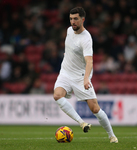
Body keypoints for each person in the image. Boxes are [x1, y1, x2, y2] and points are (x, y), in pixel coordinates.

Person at [53, 7, 118, 143]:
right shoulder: (69, 30)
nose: (73, 22)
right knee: (57, 95)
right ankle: (82, 123)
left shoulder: (86, 38)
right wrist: (68, 55)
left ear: (83, 19)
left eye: (76, 19)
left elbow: (90, 61)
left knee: (95, 108)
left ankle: (112, 135)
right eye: (71, 19)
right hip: (65, 72)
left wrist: (86, 78)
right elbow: (70, 48)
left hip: (80, 75)